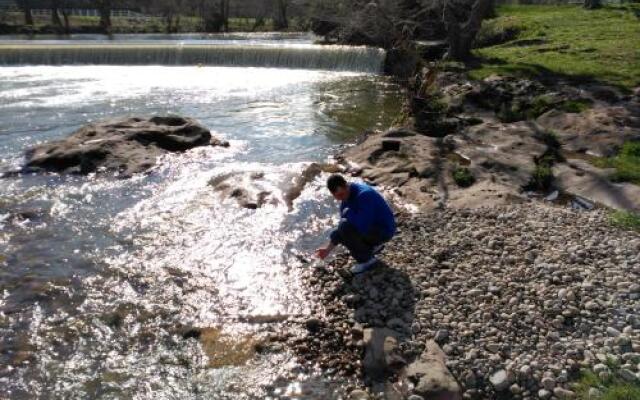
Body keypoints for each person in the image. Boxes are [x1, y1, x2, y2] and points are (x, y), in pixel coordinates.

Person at [315, 174, 396, 274]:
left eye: (341, 194)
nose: (341, 199)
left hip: (385, 230)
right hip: (373, 226)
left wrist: (347, 214)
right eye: (337, 197)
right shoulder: (347, 196)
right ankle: (372, 247)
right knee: (344, 227)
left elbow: (361, 225)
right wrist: (328, 249)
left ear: (346, 185)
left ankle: (367, 260)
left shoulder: (364, 195)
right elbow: (342, 229)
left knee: (346, 227)